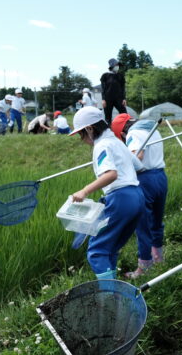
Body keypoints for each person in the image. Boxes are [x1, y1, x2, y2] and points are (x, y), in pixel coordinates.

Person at [68, 106, 145, 283]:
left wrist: (84, 191)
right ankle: (114, 286)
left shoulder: (101, 146)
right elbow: (139, 166)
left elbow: (111, 174)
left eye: (81, 134)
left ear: (89, 129)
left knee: (97, 251)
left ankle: (109, 294)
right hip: (137, 196)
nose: (82, 139)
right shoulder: (118, 142)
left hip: (120, 199)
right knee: (111, 247)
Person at [112, 114, 168, 278]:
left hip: (145, 180)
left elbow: (138, 156)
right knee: (157, 222)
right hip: (160, 177)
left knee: (143, 226)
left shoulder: (133, 134)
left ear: (122, 132)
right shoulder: (152, 129)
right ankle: (158, 258)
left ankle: (144, 267)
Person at [100, 58, 127, 122]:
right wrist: (103, 99)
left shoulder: (120, 76)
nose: (117, 66)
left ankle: (125, 128)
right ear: (112, 66)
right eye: (116, 65)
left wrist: (124, 98)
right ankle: (109, 129)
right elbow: (103, 88)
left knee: (124, 114)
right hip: (107, 99)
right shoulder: (105, 76)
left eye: (118, 65)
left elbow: (123, 88)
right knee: (108, 117)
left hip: (119, 98)